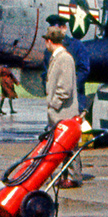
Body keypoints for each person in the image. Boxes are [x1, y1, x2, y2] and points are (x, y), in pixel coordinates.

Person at [44, 25, 82, 188]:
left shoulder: (64, 58)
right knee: (62, 147)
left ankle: (73, 177)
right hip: (59, 111)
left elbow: (65, 88)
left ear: (49, 41)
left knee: (70, 146)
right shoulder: (57, 57)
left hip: (64, 111)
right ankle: (66, 175)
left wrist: (54, 104)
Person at [45, 14, 91, 113]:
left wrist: (71, 86)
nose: (54, 32)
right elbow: (46, 73)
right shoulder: (48, 50)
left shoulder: (77, 46)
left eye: (57, 28)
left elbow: (84, 70)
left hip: (74, 100)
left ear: (64, 28)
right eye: (51, 29)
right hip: (54, 102)